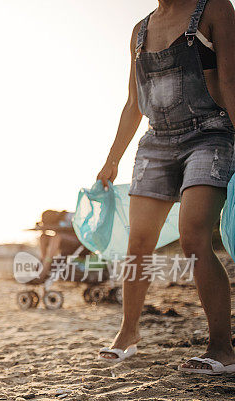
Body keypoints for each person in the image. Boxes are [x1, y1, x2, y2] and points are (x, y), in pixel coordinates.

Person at [97, 0, 235, 374]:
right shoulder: (140, 30)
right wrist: (112, 160)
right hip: (156, 143)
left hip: (210, 135)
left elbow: (230, 82)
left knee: (193, 237)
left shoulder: (216, 9)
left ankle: (221, 348)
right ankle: (127, 334)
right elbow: (133, 103)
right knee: (138, 243)